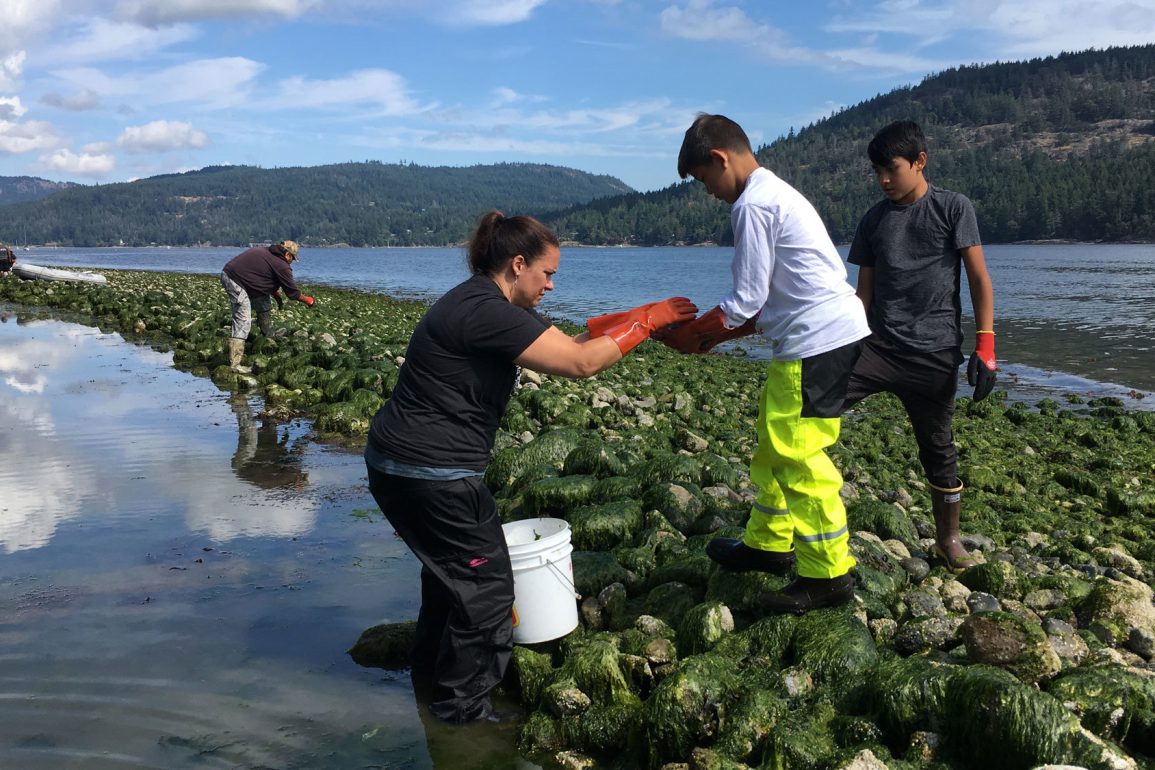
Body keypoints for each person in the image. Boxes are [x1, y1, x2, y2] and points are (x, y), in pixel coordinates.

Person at [363, 210, 696, 724]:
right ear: (518, 265)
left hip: (401, 464)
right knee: (490, 595)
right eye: (548, 274)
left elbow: (576, 346)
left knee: (448, 580)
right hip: (432, 473)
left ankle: (428, 682)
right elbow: (583, 367)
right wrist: (648, 322)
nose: (552, 286)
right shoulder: (487, 312)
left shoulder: (484, 301)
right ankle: (462, 722)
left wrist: (638, 322)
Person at [662, 113, 871, 613]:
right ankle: (769, 543)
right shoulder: (775, 192)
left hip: (816, 340)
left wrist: (694, 336)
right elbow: (775, 300)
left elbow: (746, 299)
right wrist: (714, 336)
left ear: (720, 159)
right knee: (774, 442)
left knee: (798, 453)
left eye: (704, 180)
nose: (708, 192)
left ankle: (828, 573)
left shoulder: (753, 205)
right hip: (814, 334)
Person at [841, 119, 996, 573]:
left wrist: (986, 345)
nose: (884, 180)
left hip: (934, 353)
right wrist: (837, 343)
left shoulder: (953, 208)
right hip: (878, 348)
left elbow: (978, 278)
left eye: (891, 169)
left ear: (920, 161)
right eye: (877, 172)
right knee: (814, 404)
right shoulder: (873, 220)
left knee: (938, 447)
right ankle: (798, 510)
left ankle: (948, 539)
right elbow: (862, 295)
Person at [219, 240, 314, 373]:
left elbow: (262, 278)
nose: (292, 261)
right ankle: (235, 365)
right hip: (234, 280)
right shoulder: (282, 265)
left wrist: (277, 296)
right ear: (287, 254)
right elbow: (293, 293)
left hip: (235, 276)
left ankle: (269, 335)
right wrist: (309, 300)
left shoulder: (266, 251)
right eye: (292, 258)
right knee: (243, 320)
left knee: (263, 300)